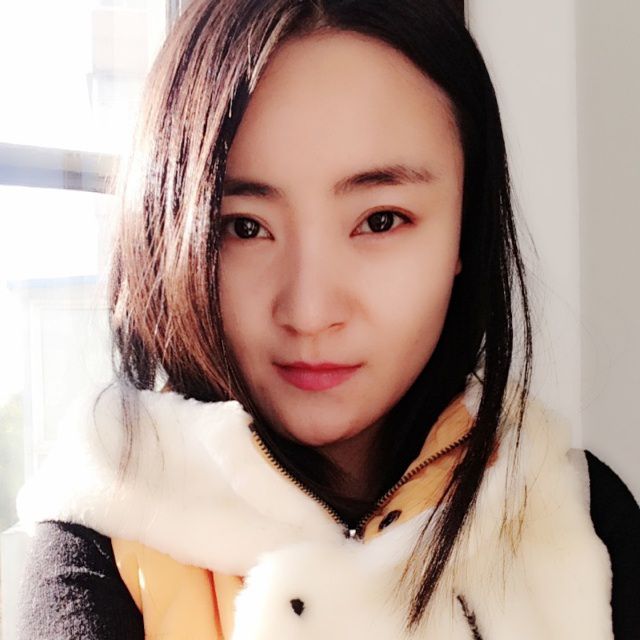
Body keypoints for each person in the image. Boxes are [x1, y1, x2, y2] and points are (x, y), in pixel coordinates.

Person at [15, 0, 640, 638]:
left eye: (380, 220)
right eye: (244, 227)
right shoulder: (108, 542)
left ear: (465, 227)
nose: (310, 313)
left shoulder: (576, 515)